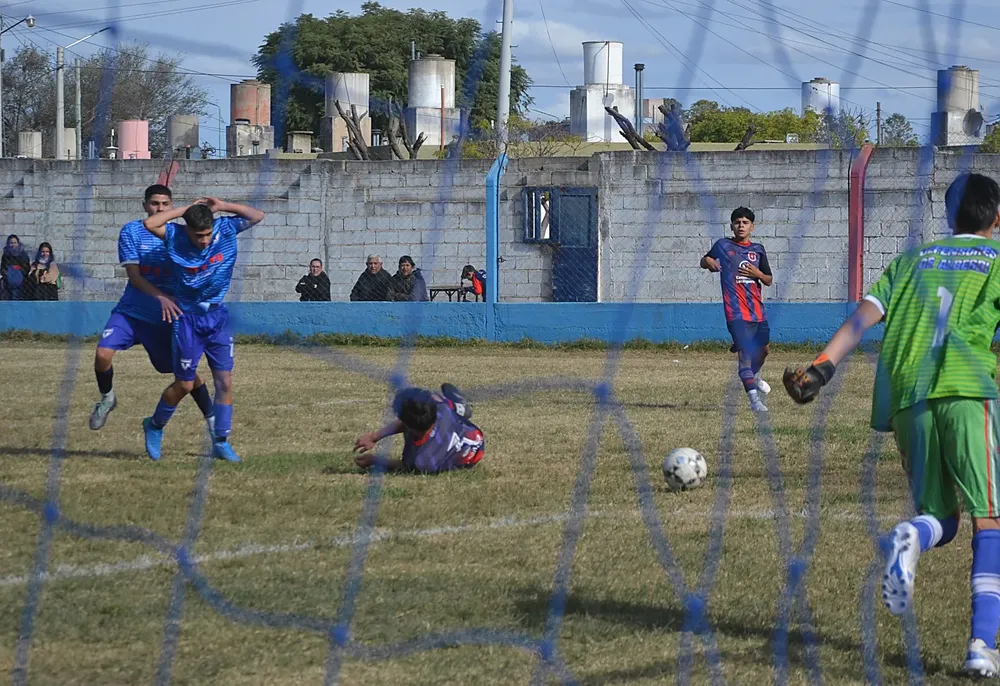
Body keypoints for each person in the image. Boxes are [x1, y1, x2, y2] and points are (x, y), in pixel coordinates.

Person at [783, 172, 1000, 677]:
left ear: (947, 217)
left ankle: (909, 535)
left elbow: (864, 317)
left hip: (907, 393)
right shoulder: (995, 261)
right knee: (989, 518)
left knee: (940, 517)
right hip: (967, 390)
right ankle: (981, 644)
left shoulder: (912, 260)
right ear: (996, 217)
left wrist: (821, 369)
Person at [141, 196, 265, 463]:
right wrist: (187, 210)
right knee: (185, 384)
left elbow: (257, 215)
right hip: (188, 319)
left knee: (225, 382)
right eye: (199, 235)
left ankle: (221, 441)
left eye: (208, 234)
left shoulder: (225, 229)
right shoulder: (174, 235)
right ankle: (155, 425)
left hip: (217, 318)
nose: (205, 240)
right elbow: (150, 222)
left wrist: (221, 206)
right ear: (187, 229)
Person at [89, 185, 215, 433]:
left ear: (171, 205)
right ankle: (107, 398)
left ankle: (213, 421)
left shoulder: (182, 234)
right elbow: (134, 277)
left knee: (186, 376)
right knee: (102, 354)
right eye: (155, 203)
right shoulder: (132, 231)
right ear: (145, 205)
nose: (160, 208)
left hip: (168, 317)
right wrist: (161, 296)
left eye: (165, 204)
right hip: (132, 311)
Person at [700, 207, 773, 412]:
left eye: (745, 222)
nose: (741, 226)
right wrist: (709, 261)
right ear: (732, 225)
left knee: (764, 350)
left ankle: (754, 376)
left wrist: (757, 272)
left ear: (752, 226)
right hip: (736, 312)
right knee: (745, 356)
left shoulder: (758, 249)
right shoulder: (723, 245)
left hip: (758, 311)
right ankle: (754, 402)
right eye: (737, 222)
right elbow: (703, 260)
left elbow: (768, 280)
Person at [353, 383, 483, 474]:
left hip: (468, 455)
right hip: (475, 437)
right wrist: (374, 437)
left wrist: (374, 460)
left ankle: (460, 407)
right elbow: (409, 420)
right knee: (437, 401)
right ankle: (459, 408)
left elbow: (404, 466)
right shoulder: (439, 407)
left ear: (409, 427)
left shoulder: (422, 460)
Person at [1, 234, 30, 301]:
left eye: (15, 243)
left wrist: (17, 271)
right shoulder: (5, 255)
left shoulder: (23, 255)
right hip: (7, 283)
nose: (13, 245)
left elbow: (26, 268)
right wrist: (8, 273)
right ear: (8, 244)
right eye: (11, 243)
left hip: (20, 283)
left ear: (18, 243)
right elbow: (2, 268)